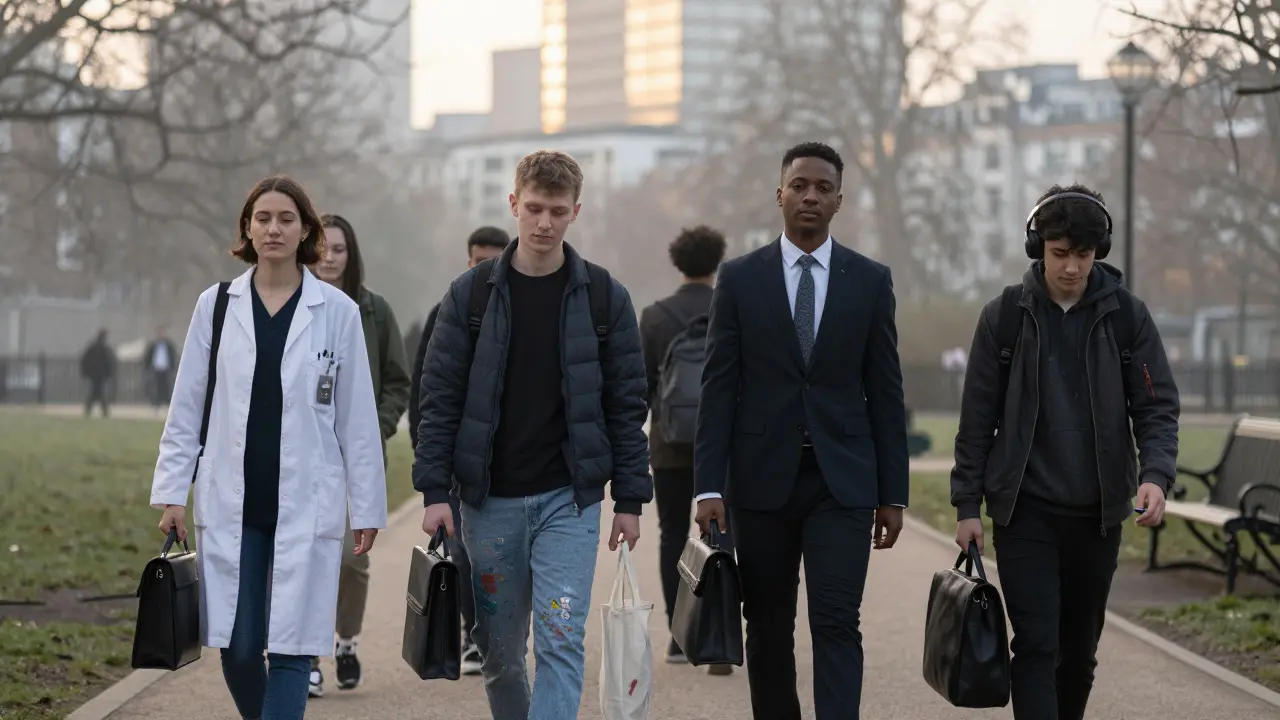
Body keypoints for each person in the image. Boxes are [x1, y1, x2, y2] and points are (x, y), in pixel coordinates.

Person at [414, 150, 651, 719]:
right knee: (499, 653)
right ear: (515, 204)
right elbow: (439, 400)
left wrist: (631, 499)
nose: (545, 223)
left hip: (567, 501)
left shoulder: (604, 297)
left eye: (558, 211)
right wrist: (434, 494)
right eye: (536, 209)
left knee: (561, 640)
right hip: (488, 501)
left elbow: (626, 404)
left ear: (576, 213)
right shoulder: (469, 296)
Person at [150, 175, 389, 720]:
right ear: (247, 229)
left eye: (286, 219)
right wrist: (171, 493)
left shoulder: (337, 312)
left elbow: (356, 421)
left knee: (291, 649)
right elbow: (188, 406)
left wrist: (369, 509)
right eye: (263, 218)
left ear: (306, 229)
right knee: (237, 648)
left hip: (306, 503)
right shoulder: (215, 306)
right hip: (236, 504)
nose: (274, 228)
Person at [693, 142, 909, 720]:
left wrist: (893, 493)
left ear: (839, 200)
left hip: (842, 483)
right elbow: (718, 388)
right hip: (761, 484)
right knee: (766, 626)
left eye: (823, 187)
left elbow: (886, 392)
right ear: (780, 194)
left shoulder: (869, 280)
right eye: (800, 185)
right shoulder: (739, 280)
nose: (810, 195)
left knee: (838, 621)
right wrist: (707, 485)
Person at [950, 184, 1179, 720]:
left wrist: (1156, 475)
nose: (1072, 267)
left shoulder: (1128, 317)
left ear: (1099, 250)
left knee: (1078, 656)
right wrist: (966, 506)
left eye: (1083, 254)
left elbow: (1156, 406)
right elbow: (976, 420)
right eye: (1060, 254)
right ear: (1038, 247)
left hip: (1098, 517)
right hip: (1024, 512)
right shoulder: (1003, 316)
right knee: (1035, 646)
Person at [306, 213, 411, 696]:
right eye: (322, 247)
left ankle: (345, 641)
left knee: (350, 558)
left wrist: (376, 427)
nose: (329, 257)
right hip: (302, 454)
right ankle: (304, 653)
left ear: (352, 255)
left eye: (339, 249)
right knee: (302, 557)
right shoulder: (296, 305)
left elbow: (397, 382)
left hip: (355, 458)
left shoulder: (374, 311)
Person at [407, 225, 509, 676]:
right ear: (467, 261)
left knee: (500, 553)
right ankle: (474, 634)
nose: (485, 267)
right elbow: (425, 390)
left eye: (494, 258)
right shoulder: (449, 308)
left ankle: (500, 632)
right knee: (463, 550)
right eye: (477, 259)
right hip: (455, 455)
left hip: (506, 458)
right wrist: (426, 455)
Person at [638, 224, 735, 672]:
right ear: (717, 262)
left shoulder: (655, 316)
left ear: (678, 262)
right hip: (728, 445)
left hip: (671, 445)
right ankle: (719, 631)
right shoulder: (733, 306)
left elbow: (642, 387)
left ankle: (681, 636)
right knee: (723, 533)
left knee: (672, 534)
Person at [80, 329, 115, 417]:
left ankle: (91, 410)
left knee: (96, 392)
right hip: (98, 375)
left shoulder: (94, 348)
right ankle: (102, 411)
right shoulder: (102, 348)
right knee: (97, 393)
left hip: (96, 375)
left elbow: (84, 360)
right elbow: (108, 362)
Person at [145, 327, 177, 410]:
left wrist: (173, 368)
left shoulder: (169, 345)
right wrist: (147, 368)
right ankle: (156, 403)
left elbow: (173, 357)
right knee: (156, 387)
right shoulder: (153, 345)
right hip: (156, 368)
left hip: (166, 368)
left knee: (167, 386)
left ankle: (168, 403)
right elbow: (148, 357)